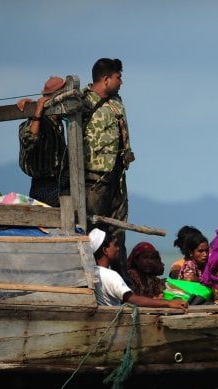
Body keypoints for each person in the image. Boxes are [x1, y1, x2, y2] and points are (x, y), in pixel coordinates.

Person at [82, 58, 135, 271]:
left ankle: (119, 276)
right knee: (92, 228)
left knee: (117, 228)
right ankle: (90, 274)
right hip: (94, 177)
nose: (121, 81)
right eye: (118, 77)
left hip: (117, 175)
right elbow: (53, 106)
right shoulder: (83, 101)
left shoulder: (116, 101)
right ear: (105, 79)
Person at [89, 228, 186, 310]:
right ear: (105, 250)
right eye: (115, 245)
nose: (118, 249)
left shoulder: (93, 272)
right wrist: (168, 303)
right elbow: (133, 299)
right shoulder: (111, 275)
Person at [16, 76, 68, 207]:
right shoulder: (39, 122)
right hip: (44, 185)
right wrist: (37, 111)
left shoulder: (59, 121)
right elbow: (29, 139)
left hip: (61, 182)